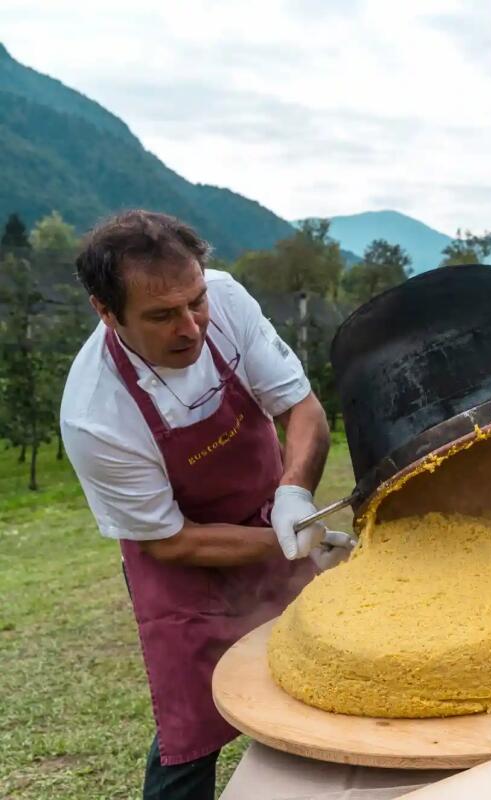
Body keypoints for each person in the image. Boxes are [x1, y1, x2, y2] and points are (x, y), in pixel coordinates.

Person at [60, 210, 354, 800]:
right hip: (184, 561)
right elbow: (171, 540)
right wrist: (294, 541)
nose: (191, 327)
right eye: (162, 315)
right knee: (192, 724)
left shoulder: (228, 300)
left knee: (322, 672)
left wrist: (294, 496)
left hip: (274, 510)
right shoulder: (96, 414)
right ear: (105, 310)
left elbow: (302, 409)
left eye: (194, 301)